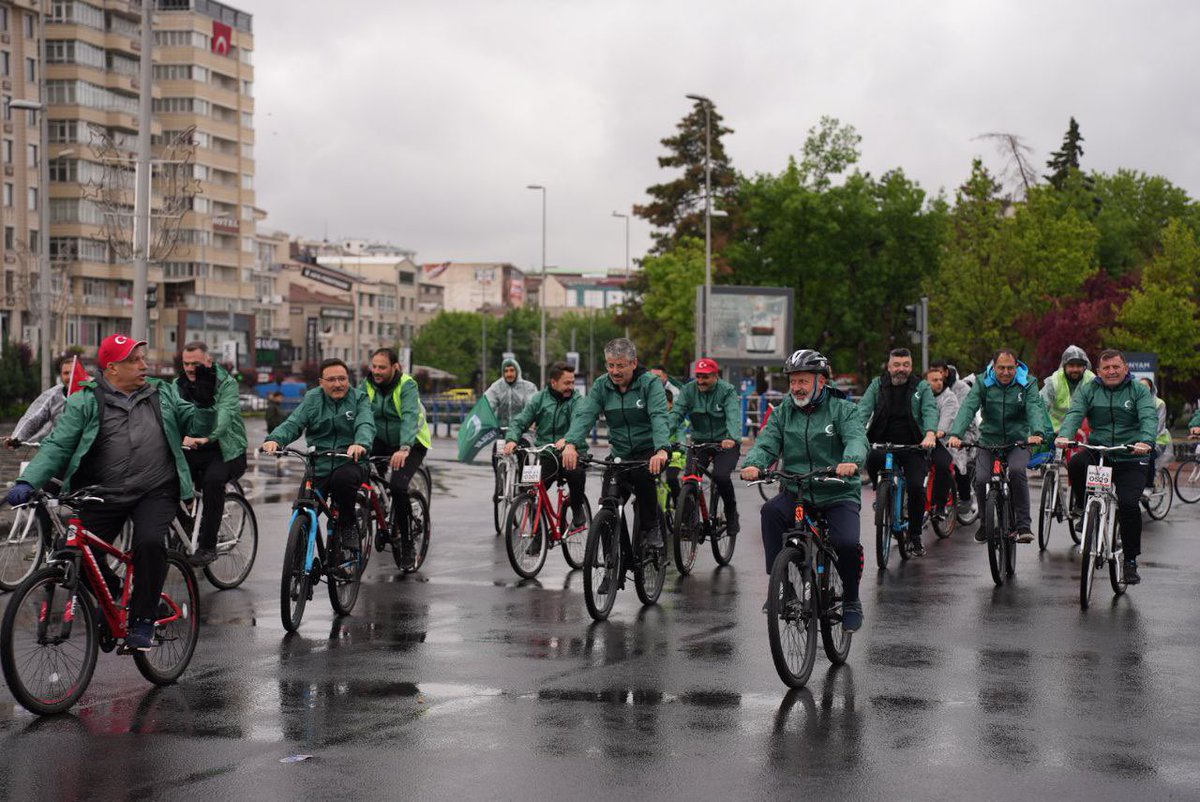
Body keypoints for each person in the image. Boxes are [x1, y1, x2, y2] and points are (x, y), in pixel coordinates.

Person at [5, 335, 209, 651]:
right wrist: (28, 481)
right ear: (112, 369)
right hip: (104, 492)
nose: (143, 365)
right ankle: (115, 594)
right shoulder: (85, 401)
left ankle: (143, 619)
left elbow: (195, 420)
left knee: (149, 543)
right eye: (134, 360)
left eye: (143, 357)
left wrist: (205, 399)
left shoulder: (162, 393)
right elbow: (58, 445)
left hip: (155, 490)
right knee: (72, 552)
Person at [740, 349, 867, 631]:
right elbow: (766, 443)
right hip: (798, 490)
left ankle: (851, 600)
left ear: (821, 381)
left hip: (838, 491)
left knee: (846, 543)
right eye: (793, 382)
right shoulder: (784, 411)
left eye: (803, 382)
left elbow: (857, 439)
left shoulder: (843, 409)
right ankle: (783, 587)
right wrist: (754, 464)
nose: (796, 388)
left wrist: (850, 461)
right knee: (771, 512)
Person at [262, 359, 375, 575]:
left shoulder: (359, 398)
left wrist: (360, 443)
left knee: (343, 483)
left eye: (342, 379)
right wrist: (276, 439)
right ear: (321, 382)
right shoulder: (313, 398)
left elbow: (365, 423)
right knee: (304, 507)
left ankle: (348, 525)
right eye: (331, 380)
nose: (338, 384)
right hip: (319, 462)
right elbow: (294, 422)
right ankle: (298, 558)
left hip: (349, 460)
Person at [1055, 350, 1156, 584]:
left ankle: (1130, 560)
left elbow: (1148, 417)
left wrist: (1146, 442)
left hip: (1132, 455)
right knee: (1077, 463)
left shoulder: (1138, 390)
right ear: (1098, 371)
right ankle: (1083, 507)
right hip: (1101, 452)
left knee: (1129, 504)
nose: (1111, 371)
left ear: (1125, 369)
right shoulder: (1089, 389)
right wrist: (1065, 435)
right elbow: (1075, 413)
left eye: (1116, 367)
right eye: (1106, 368)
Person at [562, 338, 670, 552]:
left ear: (634, 363)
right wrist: (571, 444)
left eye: (620, 365)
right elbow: (586, 414)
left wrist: (662, 450)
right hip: (619, 454)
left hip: (648, 451)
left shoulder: (650, 384)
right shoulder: (602, 385)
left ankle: (651, 527)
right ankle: (611, 565)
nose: (615, 371)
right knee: (608, 503)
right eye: (610, 365)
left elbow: (659, 417)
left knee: (643, 477)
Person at [947, 349, 1052, 544]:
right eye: (1001, 368)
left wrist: (1037, 433)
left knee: (1018, 471)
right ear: (993, 367)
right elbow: (968, 407)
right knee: (981, 479)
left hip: (1018, 441)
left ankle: (1023, 525)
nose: (1005, 372)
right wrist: (956, 434)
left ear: (1017, 367)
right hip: (989, 441)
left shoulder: (1027, 383)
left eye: (1010, 368)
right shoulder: (982, 382)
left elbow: (1034, 408)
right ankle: (985, 525)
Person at [856, 348, 938, 556]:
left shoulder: (921, 386)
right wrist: (855, 432)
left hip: (913, 446)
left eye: (906, 365)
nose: (901, 369)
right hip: (882, 443)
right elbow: (863, 410)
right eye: (897, 365)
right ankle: (882, 493)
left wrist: (929, 434)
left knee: (916, 488)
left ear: (911, 366)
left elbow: (929, 410)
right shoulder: (878, 385)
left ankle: (915, 535)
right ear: (889, 366)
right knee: (872, 459)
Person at [175, 342, 248, 567]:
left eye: (195, 363)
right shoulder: (178, 385)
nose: (189, 368)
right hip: (193, 448)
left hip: (226, 450)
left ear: (208, 361)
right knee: (166, 476)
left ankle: (208, 546)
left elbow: (225, 414)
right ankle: (185, 524)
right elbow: (171, 412)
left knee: (213, 482)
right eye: (186, 363)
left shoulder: (226, 383)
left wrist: (208, 437)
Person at [503, 360, 588, 531]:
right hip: (547, 455)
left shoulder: (577, 399)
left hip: (571, 453)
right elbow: (520, 421)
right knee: (531, 491)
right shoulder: (540, 399)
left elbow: (580, 422)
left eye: (572, 382)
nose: (571, 386)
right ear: (554, 382)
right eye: (567, 383)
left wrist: (569, 440)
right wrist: (512, 439)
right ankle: (538, 534)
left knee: (576, 473)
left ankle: (577, 509)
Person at [363, 348, 432, 554]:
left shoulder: (407, 385)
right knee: (359, 474)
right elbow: (358, 414)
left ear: (395, 367)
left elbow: (410, 416)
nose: (376, 371)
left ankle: (408, 543)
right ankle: (379, 507)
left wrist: (404, 448)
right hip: (381, 440)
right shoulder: (366, 385)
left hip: (411, 443)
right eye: (374, 366)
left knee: (398, 486)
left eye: (382, 367)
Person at [669, 357, 743, 537]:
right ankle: (686, 520)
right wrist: (662, 436)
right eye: (698, 377)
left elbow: (733, 416)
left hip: (725, 442)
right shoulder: (688, 390)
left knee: (720, 476)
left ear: (715, 376)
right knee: (689, 478)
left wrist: (731, 437)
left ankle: (731, 513)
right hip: (699, 442)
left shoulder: (727, 391)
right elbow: (676, 414)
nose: (700, 381)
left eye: (705, 377)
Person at [5, 355, 79, 448]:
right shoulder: (53, 395)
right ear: (60, 375)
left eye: (73, 372)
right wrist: (16, 438)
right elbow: (34, 416)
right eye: (66, 373)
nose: (69, 377)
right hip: (60, 448)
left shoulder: (92, 391)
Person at [925, 366, 960, 519]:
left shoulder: (949, 397)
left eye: (940, 380)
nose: (939, 383)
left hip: (941, 440)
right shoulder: (920, 395)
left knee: (943, 466)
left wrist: (940, 430)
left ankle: (940, 506)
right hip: (922, 438)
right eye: (934, 380)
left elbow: (948, 416)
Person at [1041, 345, 1095, 433]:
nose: (1075, 369)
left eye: (1079, 366)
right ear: (1064, 366)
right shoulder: (1054, 381)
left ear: (1085, 367)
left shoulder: (1091, 380)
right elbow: (1040, 407)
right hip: (1054, 432)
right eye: (1071, 365)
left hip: (1083, 432)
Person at [1138, 377, 1172, 485]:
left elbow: (1159, 425)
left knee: (1149, 454)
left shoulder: (1159, 403)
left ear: (1151, 388)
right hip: (1140, 439)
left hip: (1158, 439)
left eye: (1145, 386)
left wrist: (1148, 440)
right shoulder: (1135, 402)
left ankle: (1149, 485)